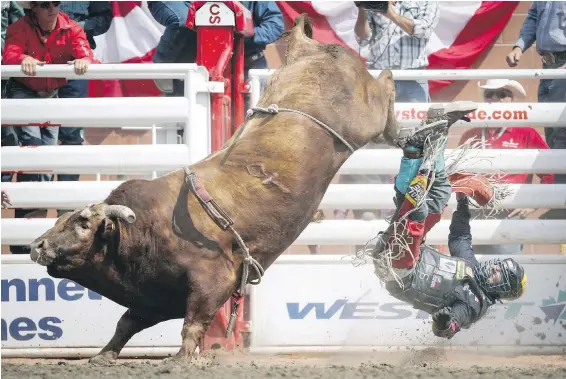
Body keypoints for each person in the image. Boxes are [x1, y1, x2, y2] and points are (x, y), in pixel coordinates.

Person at [369, 101, 527, 339]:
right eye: (498, 265)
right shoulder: (470, 266)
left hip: (402, 274)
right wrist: (463, 205)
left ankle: (414, 161)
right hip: (409, 250)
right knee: (440, 194)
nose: (493, 267)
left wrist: (445, 323)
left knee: (417, 211)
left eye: (498, 273)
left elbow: (454, 322)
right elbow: (461, 237)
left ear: (500, 288)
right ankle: (428, 140)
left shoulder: (475, 302)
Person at [458, 79, 554, 254]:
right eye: (489, 95)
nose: (495, 99)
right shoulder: (470, 134)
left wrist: (532, 205)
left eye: (502, 95)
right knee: (473, 275)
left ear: (511, 100)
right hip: (475, 215)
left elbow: (550, 173)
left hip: (509, 217)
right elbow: (457, 176)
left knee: (505, 274)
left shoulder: (526, 134)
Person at [506, 1, 566, 219]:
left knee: (561, 134)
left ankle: (561, 202)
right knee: (552, 133)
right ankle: (560, 199)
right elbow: (533, 18)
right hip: (549, 67)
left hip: (562, 65)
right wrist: (519, 46)